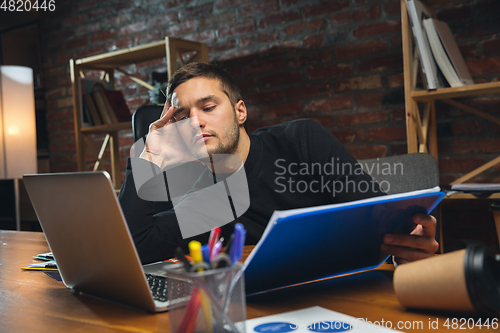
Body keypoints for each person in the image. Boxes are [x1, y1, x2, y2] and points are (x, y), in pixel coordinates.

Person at [118, 62, 439, 265]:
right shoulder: (199, 193)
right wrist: (150, 157)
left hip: (340, 291)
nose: (195, 122)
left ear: (240, 111)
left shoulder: (300, 140)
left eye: (208, 106)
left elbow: (378, 220)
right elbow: (134, 249)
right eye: (184, 116)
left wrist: (407, 245)